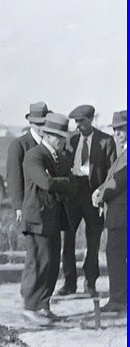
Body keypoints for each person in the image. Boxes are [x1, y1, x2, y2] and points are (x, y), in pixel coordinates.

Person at [58, 105, 116, 297]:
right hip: (72, 195)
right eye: (76, 122)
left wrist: (102, 195)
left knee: (93, 241)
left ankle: (90, 283)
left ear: (91, 119)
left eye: (82, 121)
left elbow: (111, 172)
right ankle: (69, 282)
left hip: (93, 196)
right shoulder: (71, 140)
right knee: (68, 240)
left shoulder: (106, 141)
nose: (78, 125)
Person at [20, 112, 73, 326]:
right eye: (58, 138)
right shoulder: (35, 155)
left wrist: (64, 182)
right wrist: (67, 181)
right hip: (37, 218)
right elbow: (47, 183)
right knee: (38, 263)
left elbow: (62, 183)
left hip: (53, 218)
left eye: (63, 138)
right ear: (48, 135)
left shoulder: (57, 157)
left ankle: (43, 305)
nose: (61, 142)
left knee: (52, 264)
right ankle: (30, 307)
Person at [92, 110, 127, 312]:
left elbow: (118, 182)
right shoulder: (123, 153)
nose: (117, 134)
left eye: (122, 129)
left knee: (115, 256)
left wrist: (99, 194)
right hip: (119, 215)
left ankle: (118, 300)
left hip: (122, 217)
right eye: (115, 130)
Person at [6, 102, 50, 223]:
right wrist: (18, 206)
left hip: (49, 206)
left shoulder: (50, 143)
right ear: (31, 123)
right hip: (29, 205)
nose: (42, 127)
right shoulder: (19, 145)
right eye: (38, 124)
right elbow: (14, 177)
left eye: (44, 123)